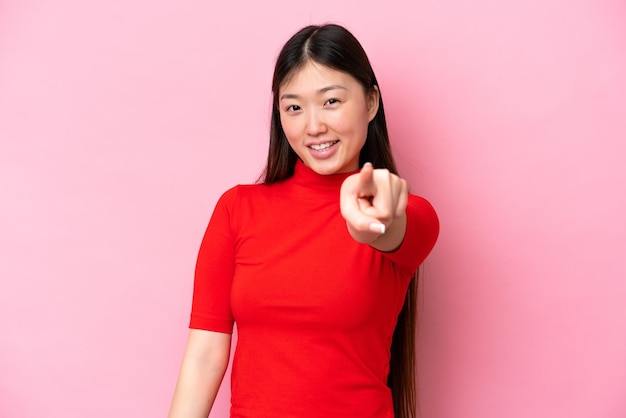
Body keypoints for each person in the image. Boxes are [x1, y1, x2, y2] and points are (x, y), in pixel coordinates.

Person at [168, 24, 439, 418]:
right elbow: (205, 355)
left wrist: (373, 223)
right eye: (294, 107)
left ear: (371, 102)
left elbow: (394, 226)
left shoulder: (408, 213)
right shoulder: (236, 209)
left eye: (331, 101)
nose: (313, 127)